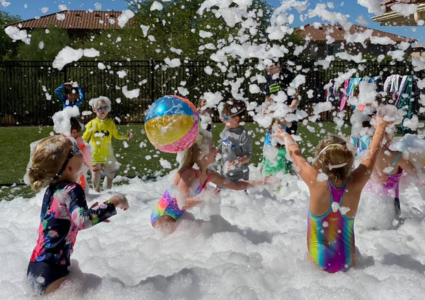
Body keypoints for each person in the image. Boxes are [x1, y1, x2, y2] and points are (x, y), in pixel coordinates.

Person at [273, 116, 389, 273]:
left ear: (319, 163)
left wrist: (286, 136)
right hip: (348, 260)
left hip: (318, 262)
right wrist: (380, 128)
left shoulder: (316, 182)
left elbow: (296, 156)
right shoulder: (356, 183)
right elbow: (371, 155)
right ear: (350, 162)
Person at [25, 135, 129, 295]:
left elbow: (59, 225)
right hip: (55, 271)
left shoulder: (53, 189)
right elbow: (83, 221)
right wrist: (115, 201)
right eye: (76, 150)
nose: (82, 150)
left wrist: (96, 211)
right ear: (69, 168)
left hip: (36, 266)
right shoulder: (73, 189)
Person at [151, 130, 269, 235]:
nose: (217, 151)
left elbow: (235, 185)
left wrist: (260, 182)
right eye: (212, 148)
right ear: (200, 153)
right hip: (162, 218)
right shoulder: (189, 173)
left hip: (178, 217)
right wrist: (204, 197)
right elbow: (183, 203)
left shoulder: (208, 174)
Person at [82, 97, 133, 192]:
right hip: (95, 153)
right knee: (96, 172)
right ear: (94, 109)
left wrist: (126, 136)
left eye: (105, 107)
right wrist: (78, 144)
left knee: (111, 173)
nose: (102, 110)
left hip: (107, 153)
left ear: (108, 109)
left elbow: (116, 135)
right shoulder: (91, 123)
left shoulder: (110, 123)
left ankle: (107, 190)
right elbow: (85, 138)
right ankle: (96, 191)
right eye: (99, 108)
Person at [365, 132, 416, 217]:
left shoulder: (366, 156)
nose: (394, 133)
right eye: (393, 131)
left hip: (371, 200)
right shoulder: (397, 155)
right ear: (385, 134)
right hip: (391, 200)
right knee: (394, 227)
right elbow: (413, 172)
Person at [218, 99, 252, 181]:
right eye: (222, 117)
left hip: (239, 176)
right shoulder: (225, 130)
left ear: (236, 119)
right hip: (223, 174)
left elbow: (247, 156)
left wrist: (238, 162)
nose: (222, 120)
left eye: (225, 117)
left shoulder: (244, 134)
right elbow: (222, 146)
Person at [263, 61, 300, 134]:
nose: (270, 71)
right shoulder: (268, 77)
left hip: (288, 116)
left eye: (272, 69)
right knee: (272, 141)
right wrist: (266, 108)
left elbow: (296, 97)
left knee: (287, 141)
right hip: (273, 116)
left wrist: (289, 110)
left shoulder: (288, 75)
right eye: (268, 69)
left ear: (278, 64)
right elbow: (268, 97)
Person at [70, 117, 92, 195]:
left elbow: (88, 162)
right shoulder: (78, 142)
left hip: (78, 182)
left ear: (73, 132)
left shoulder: (78, 144)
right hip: (77, 181)